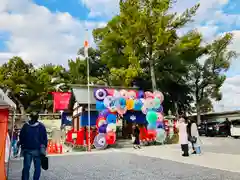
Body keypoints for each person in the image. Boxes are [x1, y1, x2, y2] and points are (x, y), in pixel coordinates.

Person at [20, 112, 48, 180]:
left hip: (28, 150)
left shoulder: (25, 126)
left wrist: (22, 146)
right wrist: (43, 147)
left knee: (27, 167)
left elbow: (21, 137)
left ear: (30, 117)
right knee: (37, 168)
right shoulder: (41, 126)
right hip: (37, 151)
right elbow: (45, 139)